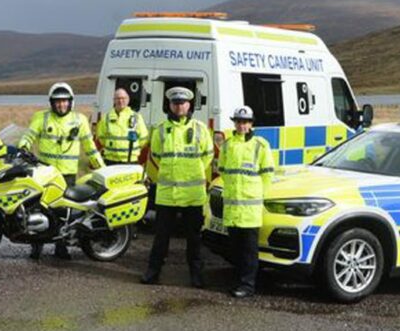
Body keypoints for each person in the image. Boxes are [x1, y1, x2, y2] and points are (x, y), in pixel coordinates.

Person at [18, 82, 104, 259]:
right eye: (57, 101)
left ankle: (61, 247)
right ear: (51, 102)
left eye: (64, 101)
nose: (61, 104)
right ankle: (36, 246)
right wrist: (23, 148)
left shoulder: (79, 120)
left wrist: (102, 169)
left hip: (67, 174)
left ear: (71, 102)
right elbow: (28, 136)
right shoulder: (41, 118)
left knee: (65, 212)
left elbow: (90, 147)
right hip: (44, 172)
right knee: (38, 208)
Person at [141, 87, 213, 288]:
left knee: (194, 239)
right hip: (167, 194)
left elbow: (208, 156)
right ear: (170, 105)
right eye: (175, 103)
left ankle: (196, 275)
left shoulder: (200, 129)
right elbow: (154, 158)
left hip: (192, 194)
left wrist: (193, 172)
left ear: (189, 105)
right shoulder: (161, 129)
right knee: (161, 238)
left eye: (182, 103)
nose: (179, 106)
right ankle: (152, 272)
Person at [218, 106, 274, 298]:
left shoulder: (261, 145)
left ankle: (248, 285)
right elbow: (223, 172)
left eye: (245, 122)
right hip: (233, 208)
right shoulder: (227, 145)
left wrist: (258, 196)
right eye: (238, 122)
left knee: (249, 251)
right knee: (235, 249)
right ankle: (238, 281)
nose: (242, 125)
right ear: (234, 123)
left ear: (251, 124)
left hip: (250, 209)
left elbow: (267, 176)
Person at [96, 88, 148, 165]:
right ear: (114, 100)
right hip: (110, 160)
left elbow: (144, 138)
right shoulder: (106, 118)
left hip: (130, 160)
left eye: (123, 98)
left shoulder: (136, 117)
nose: (120, 101)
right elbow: (101, 138)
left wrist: (133, 148)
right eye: (118, 98)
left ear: (128, 100)